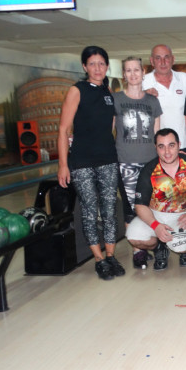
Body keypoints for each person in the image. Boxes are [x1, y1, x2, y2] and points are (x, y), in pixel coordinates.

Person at [57, 45, 123, 281]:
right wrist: (63, 165)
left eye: (101, 63)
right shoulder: (77, 90)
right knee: (89, 210)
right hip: (82, 161)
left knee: (109, 210)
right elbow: (63, 129)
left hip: (107, 158)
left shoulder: (108, 91)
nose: (97, 68)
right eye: (92, 64)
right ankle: (98, 259)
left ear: (107, 66)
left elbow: (110, 126)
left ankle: (111, 255)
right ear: (84, 66)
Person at [114, 56, 163, 269]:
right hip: (125, 162)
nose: (133, 74)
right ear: (123, 75)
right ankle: (138, 251)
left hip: (150, 162)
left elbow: (157, 133)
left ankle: (157, 242)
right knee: (131, 207)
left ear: (143, 73)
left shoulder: (152, 101)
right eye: (128, 70)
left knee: (153, 205)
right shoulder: (116, 100)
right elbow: (109, 130)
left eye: (136, 70)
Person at [125, 128, 186, 270]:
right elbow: (140, 205)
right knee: (133, 237)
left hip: (183, 215)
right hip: (156, 215)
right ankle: (159, 247)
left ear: (179, 145)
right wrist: (155, 226)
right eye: (161, 146)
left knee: (182, 246)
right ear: (156, 148)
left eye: (171, 145)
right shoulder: (149, 170)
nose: (167, 152)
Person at [142, 44, 186, 153]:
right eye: (158, 58)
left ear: (173, 59)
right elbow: (129, 100)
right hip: (158, 148)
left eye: (166, 57)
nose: (163, 62)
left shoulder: (185, 79)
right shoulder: (143, 82)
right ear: (152, 61)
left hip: (184, 146)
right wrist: (143, 95)